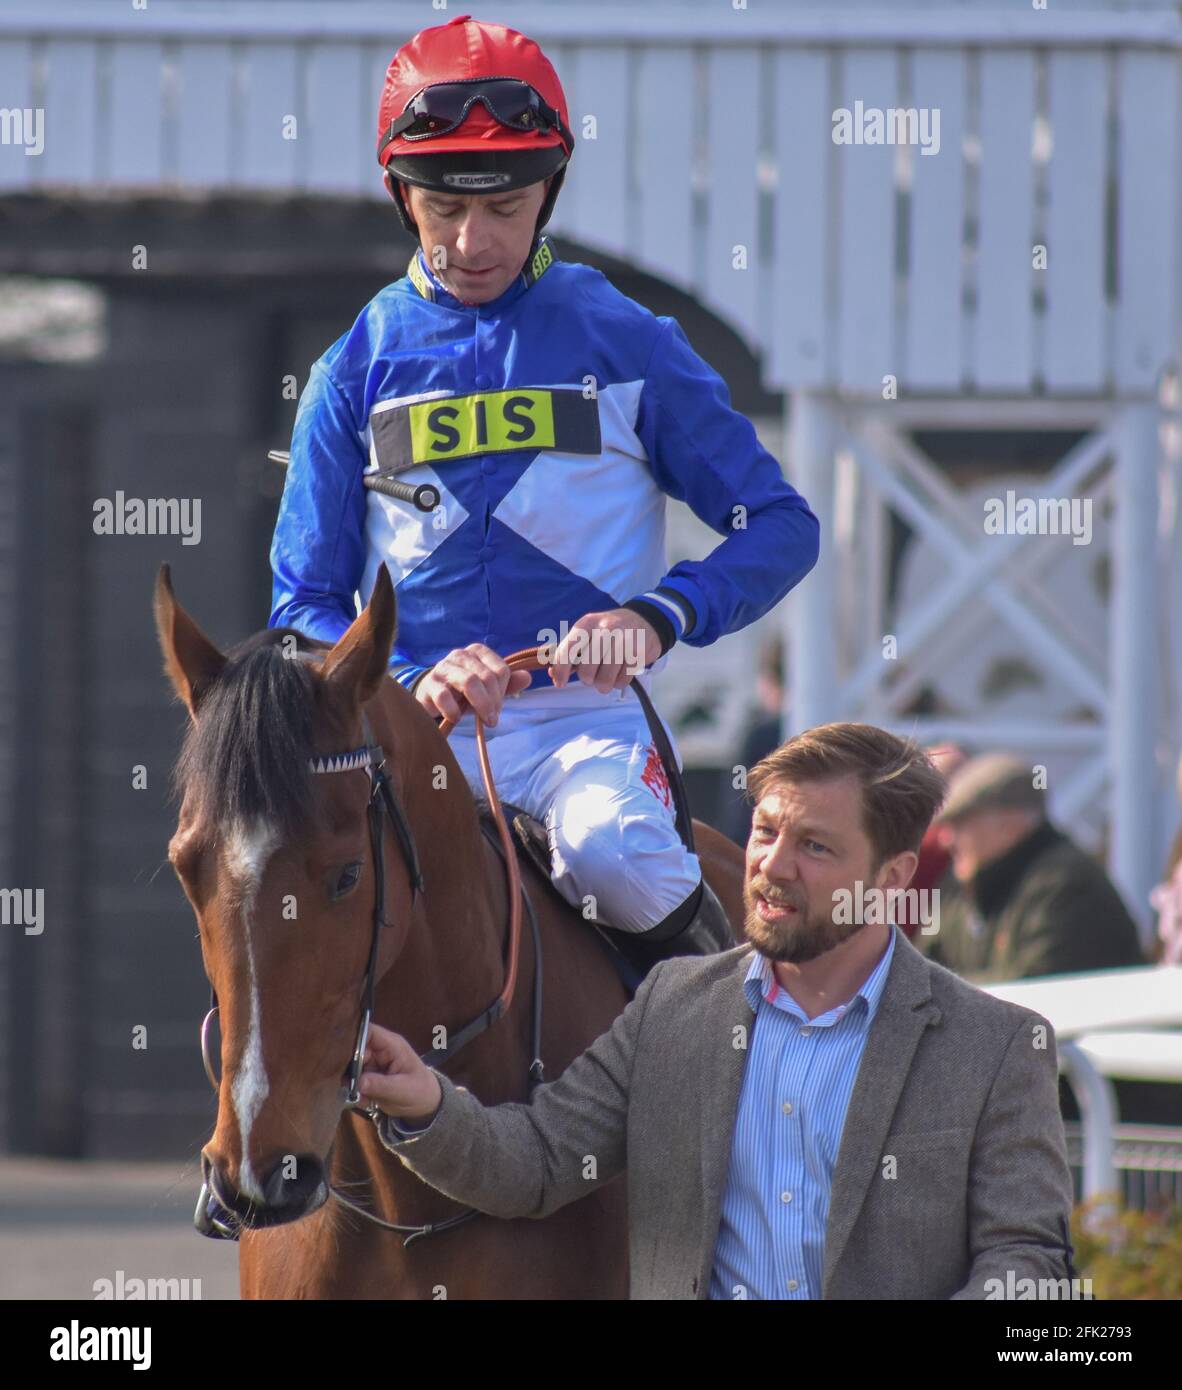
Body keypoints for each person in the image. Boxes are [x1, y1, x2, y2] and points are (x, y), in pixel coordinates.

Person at [267, 14, 820, 972]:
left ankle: (722, 1062)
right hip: (406, 729)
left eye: (508, 207)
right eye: (444, 208)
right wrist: (401, 680)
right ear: (401, 193)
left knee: (617, 856)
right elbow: (301, 607)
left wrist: (658, 616)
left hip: (580, 725)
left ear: (550, 192)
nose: (474, 241)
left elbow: (780, 524)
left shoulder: (630, 339)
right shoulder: (350, 370)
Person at [358, 723, 1075, 1300]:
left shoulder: (997, 1047)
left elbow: (1030, 1263)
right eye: (766, 832)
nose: (772, 865)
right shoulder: (673, 1007)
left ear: (890, 878)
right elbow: (540, 1163)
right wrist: (427, 1106)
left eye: (815, 846)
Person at [923, 752, 1144, 982]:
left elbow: (1036, 989)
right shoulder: (959, 890)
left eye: (959, 824)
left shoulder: (1066, 885)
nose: (945, 839)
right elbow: (919, 971)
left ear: (1010, 823)